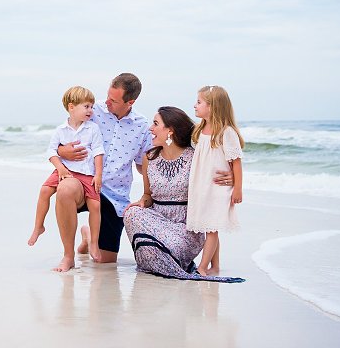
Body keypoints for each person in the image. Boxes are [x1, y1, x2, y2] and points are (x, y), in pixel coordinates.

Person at [57, 73, 235, 269]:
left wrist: (227, 174)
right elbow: (66, 132)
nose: (107, 102)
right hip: (86, 183)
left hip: (114, 197)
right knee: (65, 189)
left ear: (130, 101)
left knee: (104, 261)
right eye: (108, 96)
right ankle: (68, 256)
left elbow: (151, 165)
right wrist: (61, 151)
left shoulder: (141, 126)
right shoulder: (92, 110)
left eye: (114, 100)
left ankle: (89, 234)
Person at [123, 106, 208, 280]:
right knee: (131, 213)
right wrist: (141, 203)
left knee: (171, 245)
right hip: (157, 222)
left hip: (185, 228)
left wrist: (229, 178)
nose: (150, 128)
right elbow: (148, 196)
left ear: (170, 130)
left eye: (155, 124)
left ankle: (166, 260)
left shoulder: (195, 158)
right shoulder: (149, 157)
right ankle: (158, 261)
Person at [27, 86, 105, 271]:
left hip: (86, 173)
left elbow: (99, 152)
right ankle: (39, 226)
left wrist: (98, 175)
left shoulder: (92, 128)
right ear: (71, 107)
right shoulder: (61, 130)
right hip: (66, 170)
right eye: (86, 106)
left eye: (92, 106)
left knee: (95, 205)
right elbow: (51, 152)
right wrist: (60, 168)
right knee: (45, 190)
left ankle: (94, 242)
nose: (90, 110)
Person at [187, 85, 245, 276]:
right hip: (202, 187)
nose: (194, 106)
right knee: (209, 227)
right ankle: (215, 266)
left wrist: (237, 188)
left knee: (211, 228)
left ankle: (202, 267)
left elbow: (236, 162)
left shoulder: (226, 132)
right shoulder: (200, 130)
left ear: (212, 107)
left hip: (218, 188)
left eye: (199, 102)